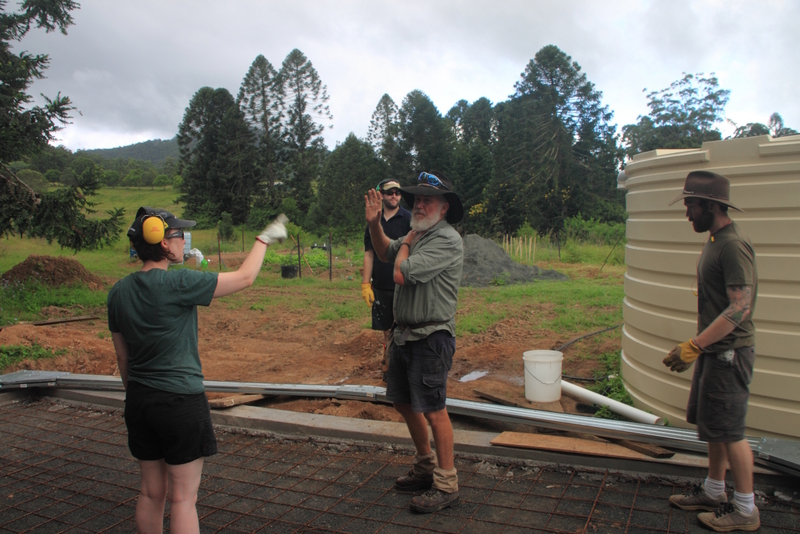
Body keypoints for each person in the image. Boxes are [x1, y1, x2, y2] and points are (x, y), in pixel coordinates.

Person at [107, 207, 287, 533]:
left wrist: (136, 394)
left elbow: (123, 358)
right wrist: (263, 239)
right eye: (178, 234)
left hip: (139, 401)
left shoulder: (118, 291)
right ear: (162, 242)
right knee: (182, 499)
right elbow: (245, 278)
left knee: (150, 492)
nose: (183, 240)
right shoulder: (179, 282)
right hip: (180, 402)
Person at [663, 171, 759, 532]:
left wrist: (694, 345)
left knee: (731, 431)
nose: (687, 211)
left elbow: (740, 308)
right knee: (716, 427)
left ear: (711, 205)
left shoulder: (733, 245)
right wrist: (701, 346)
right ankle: (714, 491)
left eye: (691, 204)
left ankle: (746, 510)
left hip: (729, 354)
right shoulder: (716, 240)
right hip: (714, 351)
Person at [365, 171, 463, 514]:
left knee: (434, 410)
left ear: (444, 207)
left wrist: (405, 242)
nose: (419, 205)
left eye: (427, 200)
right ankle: (425, 466)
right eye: (417, 199)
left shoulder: (445, 239)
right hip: (405, 334)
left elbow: (399, 272)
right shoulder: (417, 234)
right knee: (403, 403)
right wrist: (375, 224)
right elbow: (383, 251)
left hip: (431, 337)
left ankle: (447, 484)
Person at [361, 178, 411, 379]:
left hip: (403, 286)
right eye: (390, 192)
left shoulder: (408, 219)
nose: (394, 196)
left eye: (397, 192)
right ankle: (389, 365)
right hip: (381, 285)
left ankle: (403, 367)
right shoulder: (374, 220)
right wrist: (366, 284)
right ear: (381, 195)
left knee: (404, 329)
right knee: (387, 332)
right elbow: (369, 253)